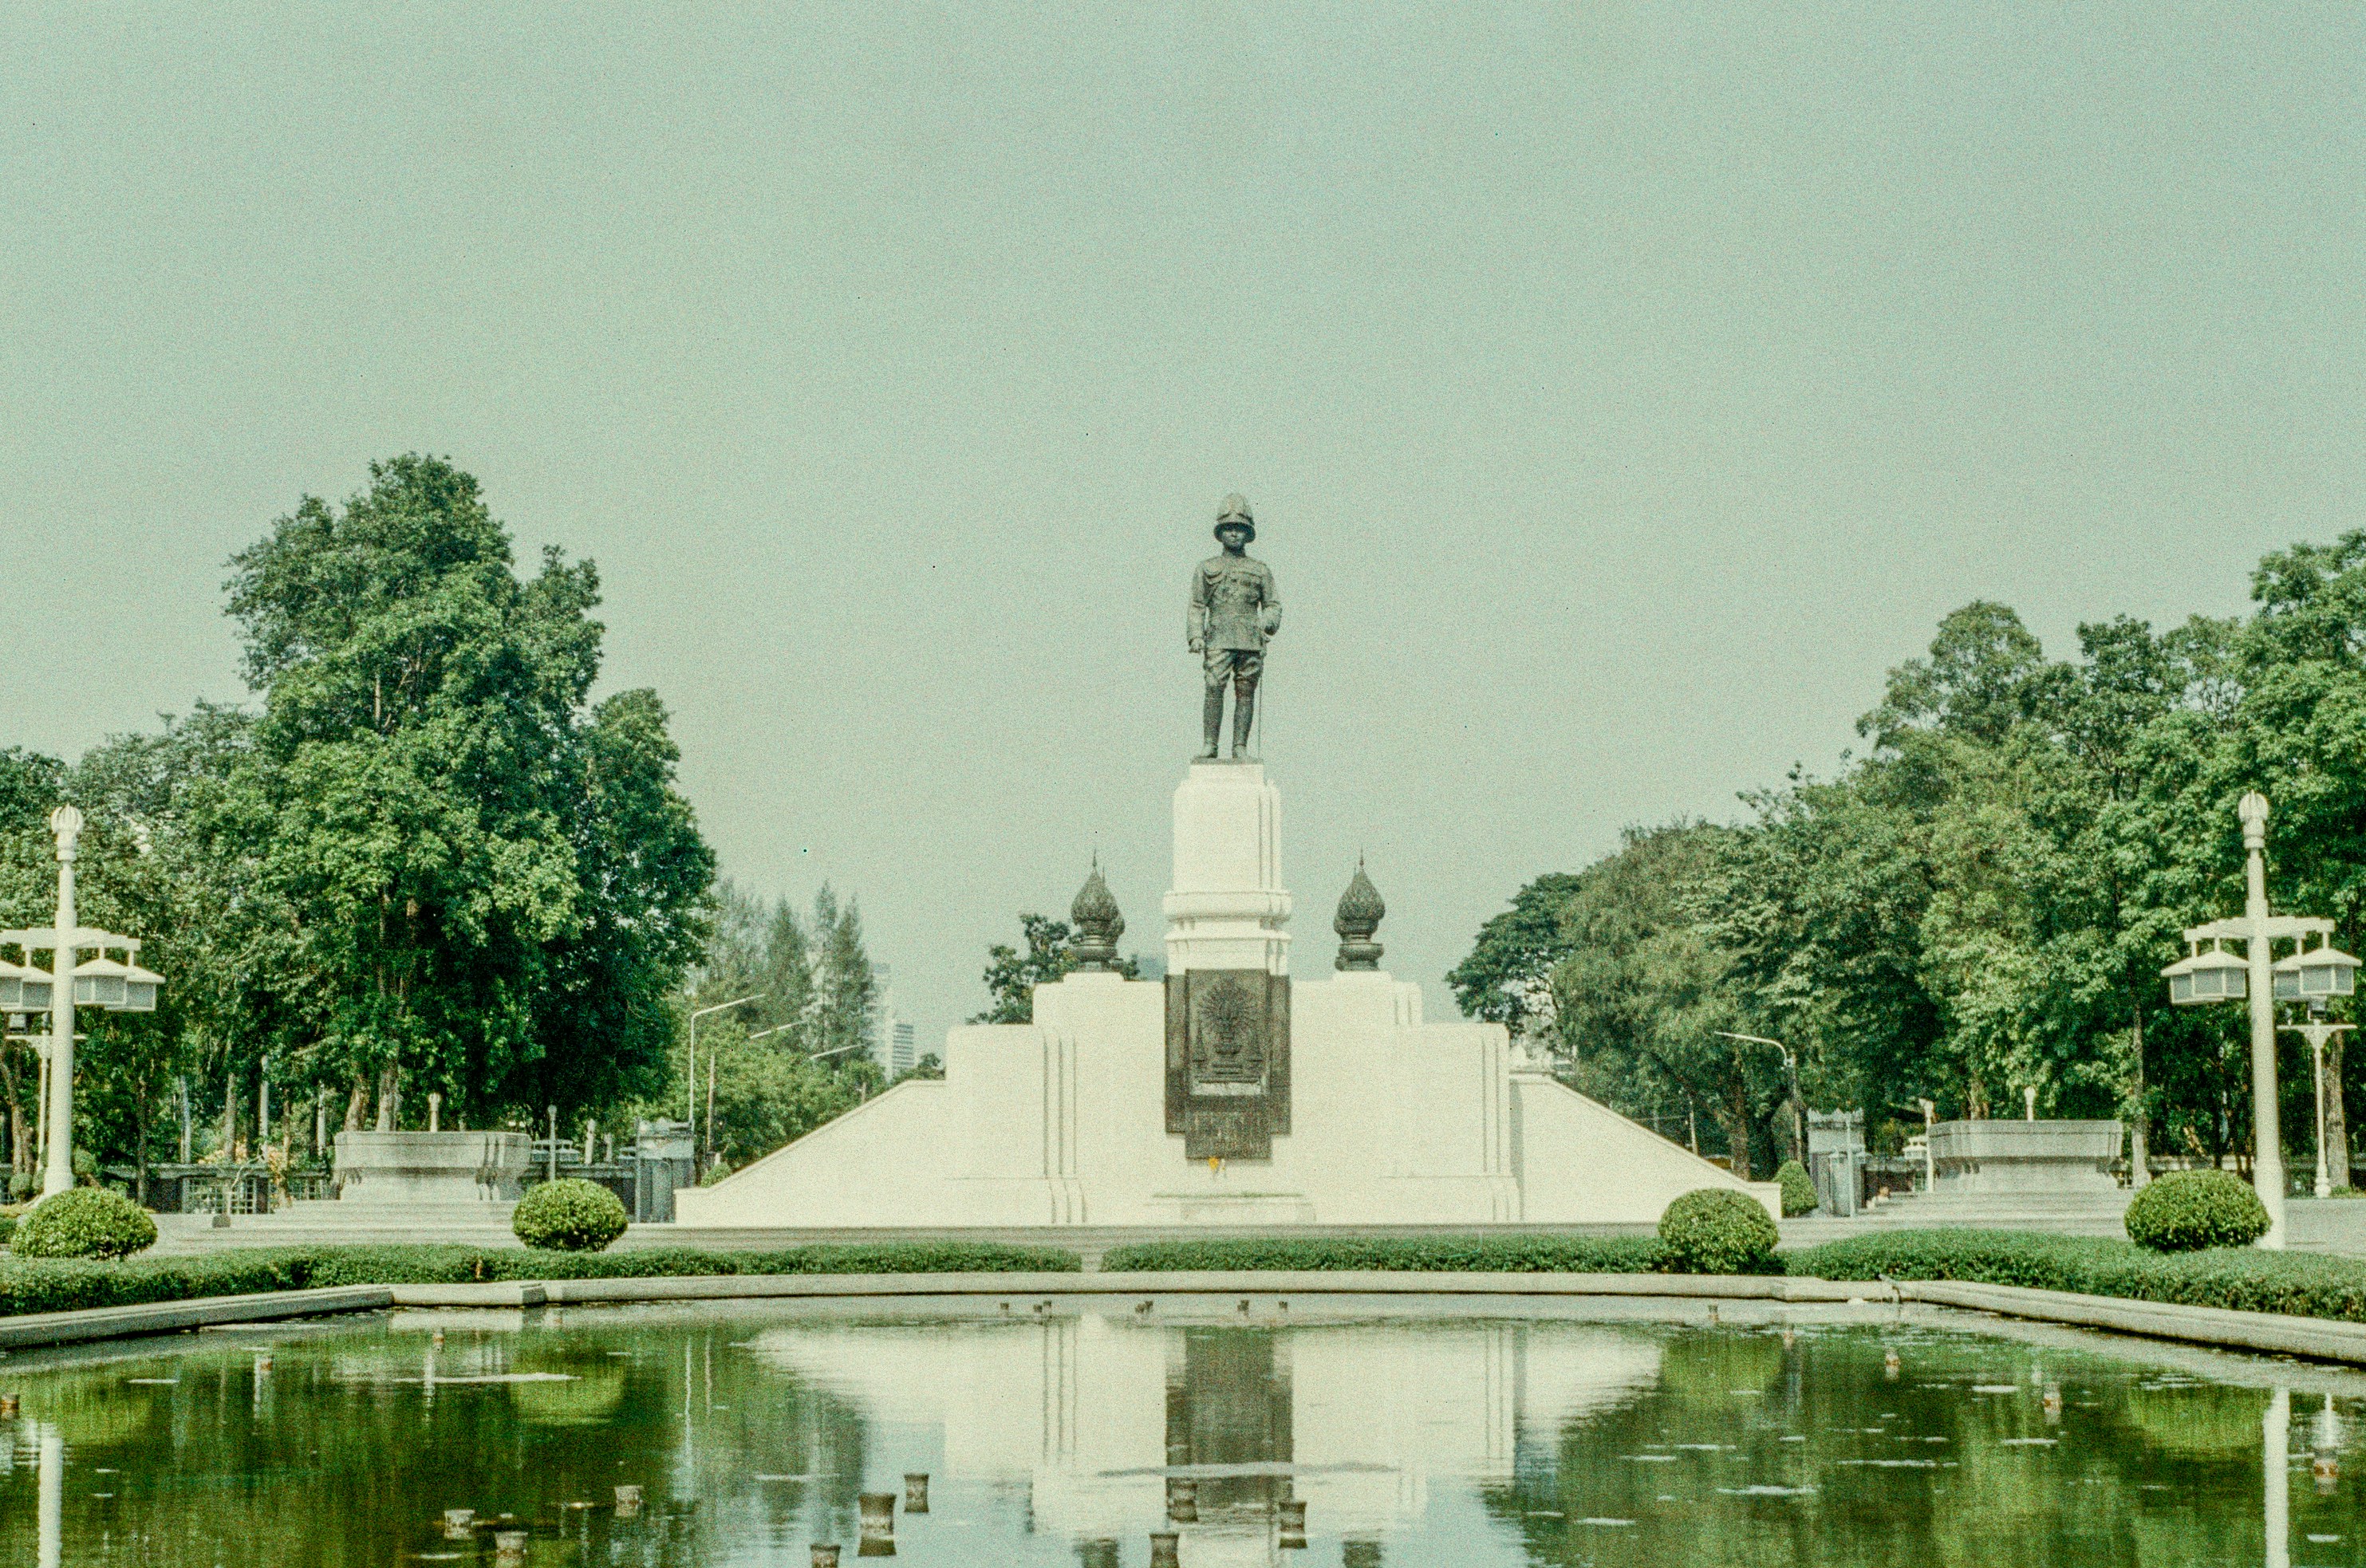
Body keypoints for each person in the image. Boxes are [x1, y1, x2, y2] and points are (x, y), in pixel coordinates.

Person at [1187, 494, 1281, 759]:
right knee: (1214, 687)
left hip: (1250, 639)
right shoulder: (1207, 568)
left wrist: (1268, 623)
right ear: (1220, 533)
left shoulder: (1260, 570)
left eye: (1240, 529)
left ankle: (1240, 746)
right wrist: (1196, 636)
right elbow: (1197, 605)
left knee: (1245, 691)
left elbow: (1273, 604)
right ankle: (1210, 743)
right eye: (1229, 528)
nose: (1234, 534)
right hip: (1218, 637)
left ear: (1248, 534)